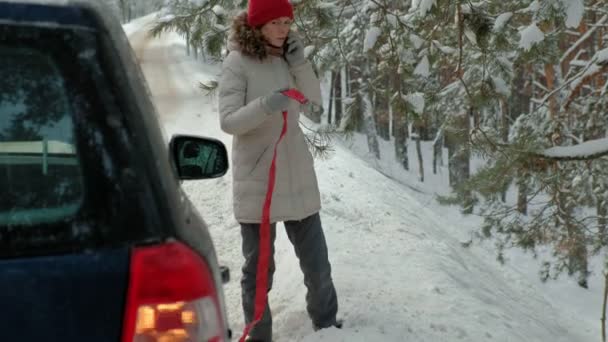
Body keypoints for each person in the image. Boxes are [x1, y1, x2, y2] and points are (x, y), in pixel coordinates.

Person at [217, 0, 341, 341]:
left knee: (317, 264)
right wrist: (266, 105)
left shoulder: (289, 56)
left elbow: (313, 98)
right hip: (259, 177)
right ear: (257, 25)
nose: (284, 29)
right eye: (276, 22)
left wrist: (300, 63)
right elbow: (228, 122)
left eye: (287, 22)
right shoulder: (237, 61)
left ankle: (327, 325)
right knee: (259, 272)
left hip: (296, 172)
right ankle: (259, 336)